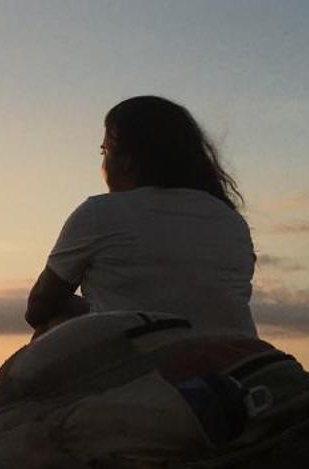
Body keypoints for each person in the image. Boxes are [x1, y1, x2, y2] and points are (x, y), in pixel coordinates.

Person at [26, 95, 256, 337]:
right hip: (236, 356)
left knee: (50, 328)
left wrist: (86, 311)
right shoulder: (231, 221)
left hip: (150, 359)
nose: (103, 163)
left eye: (104, 151)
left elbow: (39, 308)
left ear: (126, 160)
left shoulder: (100, 214)